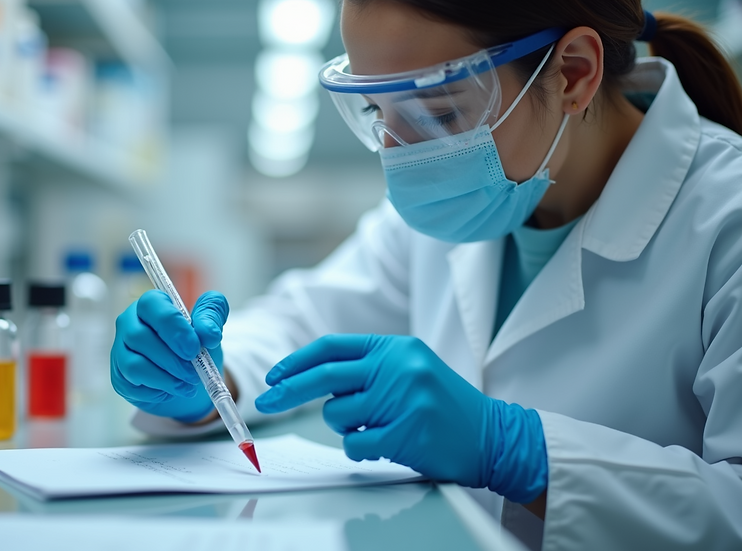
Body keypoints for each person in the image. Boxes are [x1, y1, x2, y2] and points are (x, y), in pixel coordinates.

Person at [111, 0, 742, 548]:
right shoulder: (451, 210)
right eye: (377, 112)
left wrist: (522, 452)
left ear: (573, 73)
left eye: (438, 114)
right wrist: (204, 376)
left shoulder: (724, 218)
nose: (399, 154)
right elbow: (300, 319)